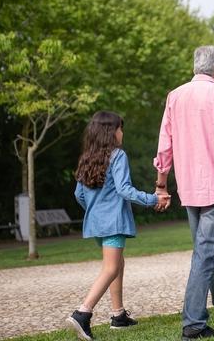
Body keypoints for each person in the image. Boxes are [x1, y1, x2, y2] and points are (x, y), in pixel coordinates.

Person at [153, 45, 214, 340]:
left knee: (208, 249)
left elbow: (165, 143)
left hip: (188, 187)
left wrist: (161, 183)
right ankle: (193, 322)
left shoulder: (174, 96)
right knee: (206, 253)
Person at [66, 111, 169, 341]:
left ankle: (118, 315)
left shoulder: (87, 157)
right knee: (111, 268)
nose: (122, 133)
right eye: (120, 128)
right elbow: (124, 190)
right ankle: (82, 313)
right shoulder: (117, 156)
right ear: (111, 132)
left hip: (95, 223)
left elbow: (78, 194)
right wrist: (153, 199)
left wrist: (95, 212)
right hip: (113, 222)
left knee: (117, 263)